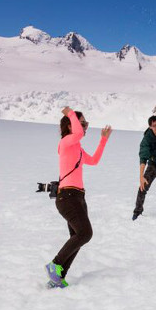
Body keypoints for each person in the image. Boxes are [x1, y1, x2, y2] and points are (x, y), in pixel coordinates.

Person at [46, 107, 111, 288]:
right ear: (71, 125)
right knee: (85, 234)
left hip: (78, 197)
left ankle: (57, 277)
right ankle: (55, 264)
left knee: (77, 237)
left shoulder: (78, 148)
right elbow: (78, 133)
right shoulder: (66, 143)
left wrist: (103, 140)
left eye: (85, 124)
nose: (85, 127)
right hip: (67, 197)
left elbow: (94, 160)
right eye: (83, 123)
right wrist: (71, 114)